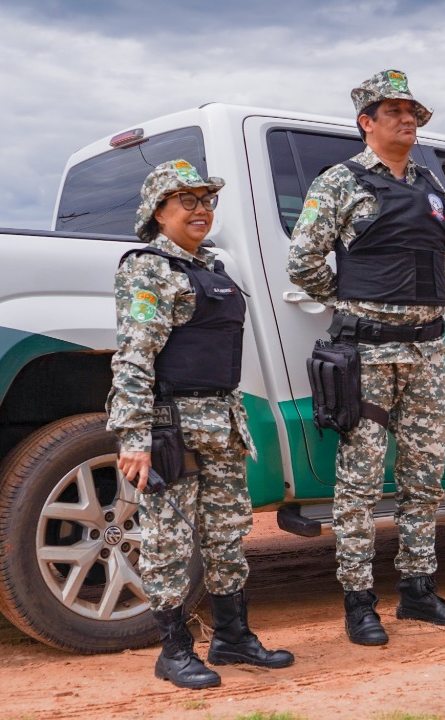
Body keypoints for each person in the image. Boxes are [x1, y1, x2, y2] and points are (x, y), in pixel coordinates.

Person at [286, 69, 445, 645]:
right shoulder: (339, 183)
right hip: (366, 352)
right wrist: (354, 302)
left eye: (412, 111)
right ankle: (360, 602)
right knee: (360, 483)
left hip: (427, 351)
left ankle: (418, 590)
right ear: (366, 122)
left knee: (424, 478)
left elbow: (444, 257)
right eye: (393, 111)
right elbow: (303, 262)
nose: (407, 119)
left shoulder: (431, 186)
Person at [108, 159, 293, 689]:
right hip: (174, 429)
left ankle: (233, 636)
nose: (201, 209)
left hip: (221, 425)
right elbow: (135, 358)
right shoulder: (148, 269)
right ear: (158, 211)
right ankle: (174, 652)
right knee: (168, 541)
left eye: (207, 200)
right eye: (186, 200)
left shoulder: (210, 267)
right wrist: (135, 438)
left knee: (227, 534)